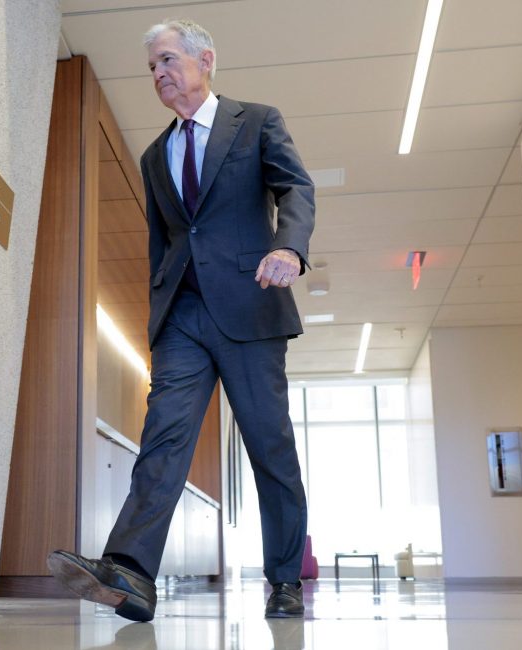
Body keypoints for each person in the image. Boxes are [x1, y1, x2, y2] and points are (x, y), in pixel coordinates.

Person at [47, 18, 314, 622]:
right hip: (183, 318)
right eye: (152, 67)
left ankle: (284, 580)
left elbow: (296, 189)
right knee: (163, 439)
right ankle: (131, 572)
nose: (159, 74)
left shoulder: (256, 121)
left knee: (269, 448)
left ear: (205, 60)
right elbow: (164, 244)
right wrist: (158, 314)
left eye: (167, 60)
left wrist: (289, 248)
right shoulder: (154, 155)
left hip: (250, 305)